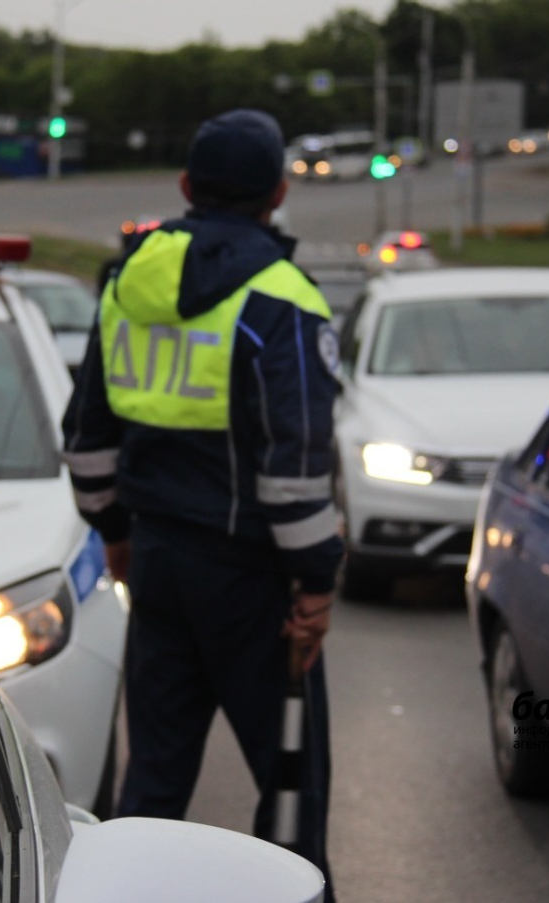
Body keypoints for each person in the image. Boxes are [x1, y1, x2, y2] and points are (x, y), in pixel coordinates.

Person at [61, 108, 342, 896]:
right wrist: (316, 582)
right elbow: (294, 472)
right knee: (291, 793)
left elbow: (86, 437)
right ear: (278, 192)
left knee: (152, 791)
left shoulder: (126, 283)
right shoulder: (283, 299)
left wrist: (116, 531)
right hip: (255, 579)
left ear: (185, 187)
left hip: (155, 562)